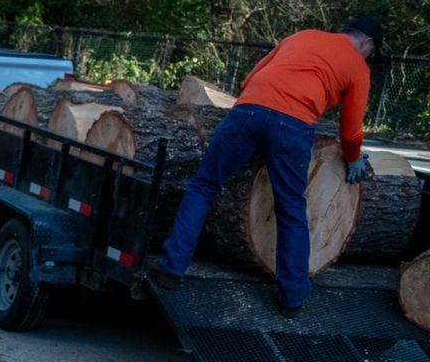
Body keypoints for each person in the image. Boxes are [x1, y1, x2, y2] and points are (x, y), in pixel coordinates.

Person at [151, 16, 381, 315]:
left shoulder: (303, 35)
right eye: (371, 54)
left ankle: (171, 268)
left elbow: (249, 79)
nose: (368, 58)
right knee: (291, 208)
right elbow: (350, 131)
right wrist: (352, 158)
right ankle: (292, 298)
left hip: (246, 112)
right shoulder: (358, 67)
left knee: (203, 186)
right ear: (366, 43)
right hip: (293, 125)